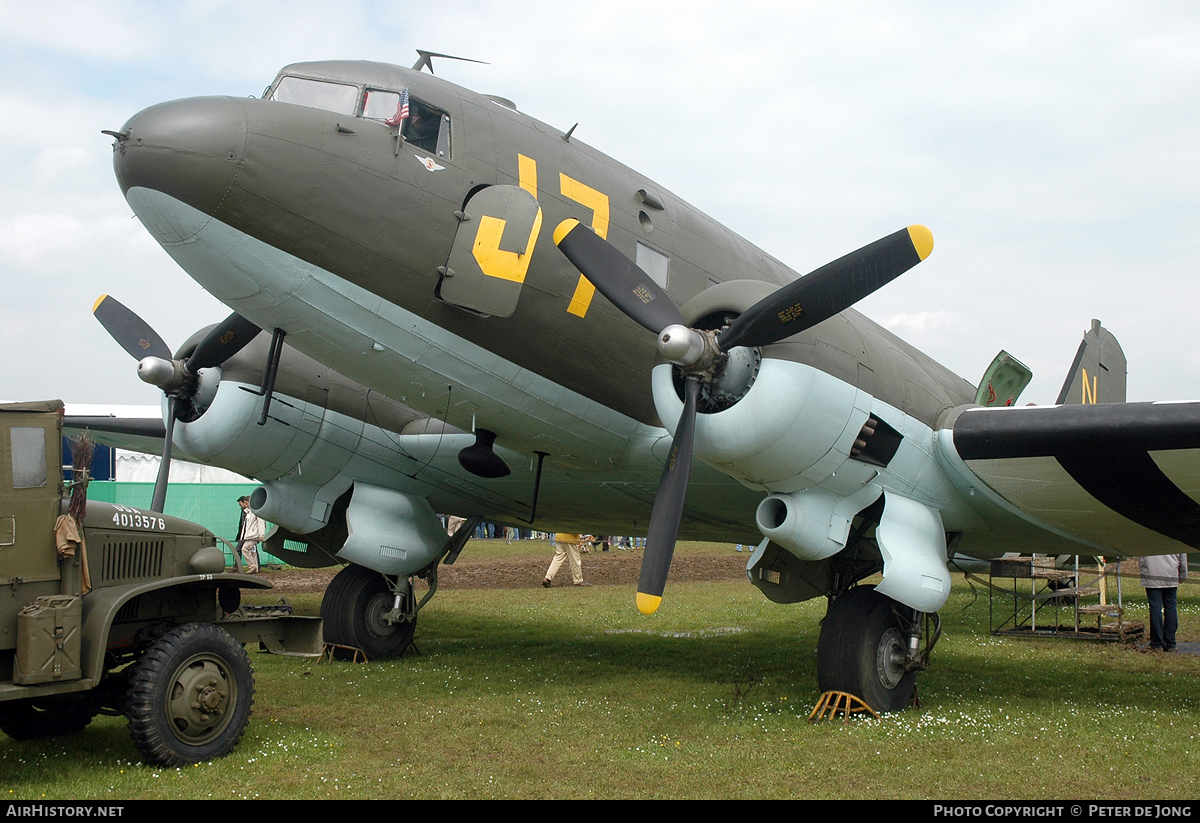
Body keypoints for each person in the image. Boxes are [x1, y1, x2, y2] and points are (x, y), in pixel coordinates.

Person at [1139, 552, 1188, 651]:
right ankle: (1170, 642)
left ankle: (1156, 643)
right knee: (1171, 607)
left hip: (1151, 572)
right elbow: (1182, 556)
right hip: (1170, 572)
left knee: (1155, 608)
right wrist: (1183, 575)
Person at [236, 496, 265, 574]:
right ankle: (255, 568)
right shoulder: (249, 512)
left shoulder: (256, 512)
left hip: (253, 535)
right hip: (249, 535)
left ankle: (251, 566)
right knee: (253, 551)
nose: (246, 505)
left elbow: (261, 523)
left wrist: (261, 534)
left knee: (244, 549)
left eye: (246, 503)